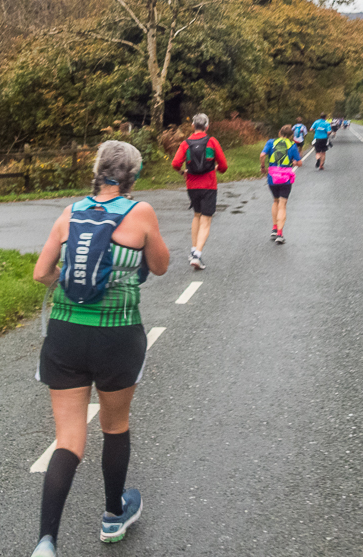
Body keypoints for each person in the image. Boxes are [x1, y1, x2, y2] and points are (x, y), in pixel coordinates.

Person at [30, 140, 170, 557]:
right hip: (118, 337)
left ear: (96, 171)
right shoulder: (140, 212)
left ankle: (45, 542)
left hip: (65, 334)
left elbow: (41, 274)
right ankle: (113, 516)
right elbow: (161, 266)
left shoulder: (70, 213)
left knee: (68, 439)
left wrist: (69, 279)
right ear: (133, 176)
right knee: (114, 426)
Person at [170, 113, 228, 270]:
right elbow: (223, 165)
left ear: (192, 126)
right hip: (209, 185)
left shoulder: (185, 143)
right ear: (207, 126)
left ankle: (193, 250)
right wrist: (217, 169)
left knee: (196, 215)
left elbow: (175, 163)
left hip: (192, 186)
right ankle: (197, 255)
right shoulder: (212, 141)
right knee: (206, 219)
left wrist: (183, 172)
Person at [260, 124, 302, 244]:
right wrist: (294, 163)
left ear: (279, 132)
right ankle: (279, 233)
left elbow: (262, 155)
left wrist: (263, 167)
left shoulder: (271, 142)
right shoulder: (292, 145)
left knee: (275, 201)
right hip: (285, 178)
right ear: (291, 136)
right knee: (282, 204)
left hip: (272, 176)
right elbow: (299, 163)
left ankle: (274, 228)